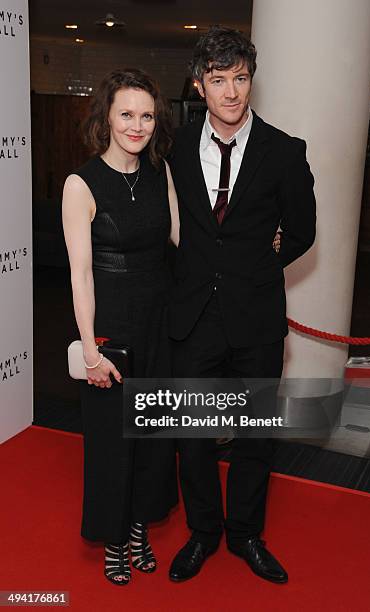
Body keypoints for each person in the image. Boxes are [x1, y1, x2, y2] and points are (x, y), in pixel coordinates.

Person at [168, 27, 316, 583]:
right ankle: (203, 532)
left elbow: (302, 230)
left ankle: (246, 534)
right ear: (200, 84)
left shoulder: (284, 150)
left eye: (241, 78)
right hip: (194, 319)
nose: (231, 92)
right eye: (218, 79)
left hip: (255, 318)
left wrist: (258, 264)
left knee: (255, 433)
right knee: (193, 435)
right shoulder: (177, 147)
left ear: (250, 80)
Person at [62, 68, 180, 585]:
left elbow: (182, 241)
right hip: (111, 329)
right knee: (112, 440)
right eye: (127, 114)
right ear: (106, 117)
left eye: (147, 115)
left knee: (154, 438)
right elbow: (81, 275)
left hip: (160, 324)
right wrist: (90, 350)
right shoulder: (80, 183)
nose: (137, 125)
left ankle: (137, 528)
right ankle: (113, 538)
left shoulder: (162, 174)